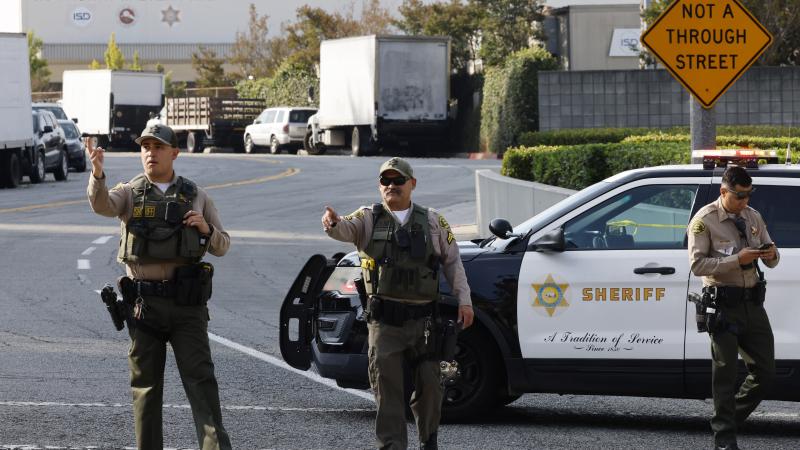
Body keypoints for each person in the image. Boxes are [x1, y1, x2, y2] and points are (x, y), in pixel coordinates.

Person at [87, 124, 232, 450]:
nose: (150, 152)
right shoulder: (129, 192)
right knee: (146, 390)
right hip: (144, 308)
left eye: (158, 146)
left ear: (174, 152)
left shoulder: (196, 195)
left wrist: (206, 228)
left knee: (202, 386)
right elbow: (101, 205)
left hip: (187, 308)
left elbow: (223, 245)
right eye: (146, 146)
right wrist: (97, 173)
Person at [322, 157, 474, 450]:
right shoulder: (368, 217)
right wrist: (331, 224)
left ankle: (428, 440)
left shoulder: (432, 220)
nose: (391, 186)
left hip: (425, 323)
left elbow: (454, 263)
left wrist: (464, 302)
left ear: (412, 184)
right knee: (388, 391)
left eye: (398, 180)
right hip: (385, 323)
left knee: (431, 386)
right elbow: (343, 229)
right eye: (385, 181)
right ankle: (392, 446)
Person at [687, 165, 779, 450]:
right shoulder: (704, 220)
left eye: (749, 195)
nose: (745, 201)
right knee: (725, 376)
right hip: (722, 305)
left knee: (765, 373)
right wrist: (736, 260)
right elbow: (697, 264)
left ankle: (726, 420)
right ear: (723, 191)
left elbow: (771, 257)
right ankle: (725, 439)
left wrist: (772, 254)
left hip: (752, 303)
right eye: (739, 196)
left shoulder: (753, 217)